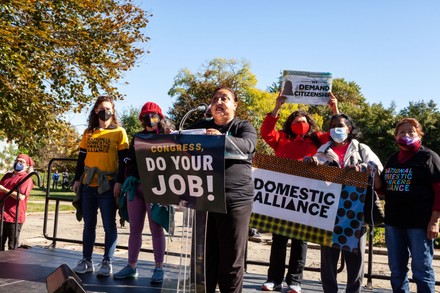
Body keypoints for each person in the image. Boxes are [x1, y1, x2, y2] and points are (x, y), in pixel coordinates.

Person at [260, 93, 338, 293]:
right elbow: (265, 131)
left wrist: (334, 109)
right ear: (290, 124)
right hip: (281, 195)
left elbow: (337, 133)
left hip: (305, 196)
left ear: (309, 124)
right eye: (296, 121)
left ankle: (295, 281)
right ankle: (273, 279)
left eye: (303, 121)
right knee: (278, 239)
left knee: (299, 241)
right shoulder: (281, 138)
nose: (300, 124)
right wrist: (277, 107)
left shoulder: (317, 139)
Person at [304, 113, 383, 293]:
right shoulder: (321, 152)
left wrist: (362, 168)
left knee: (356, 260)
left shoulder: (362, 149)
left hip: (355, 211)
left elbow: (377, 170)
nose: (335, 129)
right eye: (332, 126)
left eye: (340, 125)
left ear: (349, 129)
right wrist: (311, 165)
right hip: (329, 212)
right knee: (328, 260)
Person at [190, 86, 257, 293]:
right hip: (205, 197)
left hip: (234, 199)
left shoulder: (243, 127)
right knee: (205, 257)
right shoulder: (201, 126)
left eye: (225, 98)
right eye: (215, 99)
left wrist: (220, 138)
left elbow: (248, 146)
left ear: (234, 105)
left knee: (231, 259)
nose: (219, 102)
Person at [373, 118, 440, 292]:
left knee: (422, 271)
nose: (406, 135)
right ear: (395, 136)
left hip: (420, 225)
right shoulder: (393, 159)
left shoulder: (429, 157)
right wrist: (373, 175)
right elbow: (383, 190)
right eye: (402, 132)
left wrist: (434, 221)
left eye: (411, 131)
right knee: (396, 271)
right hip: (394, 224)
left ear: (420, 135)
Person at [113, 102, 172, 283]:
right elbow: (127, 160)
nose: (150, 118)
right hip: (134, 185)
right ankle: (131, 266)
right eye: (146, 115)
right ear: (141, 118)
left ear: (160, 117)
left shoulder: (166, 136)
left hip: (156, 187)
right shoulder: (137, 137)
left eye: (153, 114)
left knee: (156, 228)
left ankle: (159, 268)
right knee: (135, 229)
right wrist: (119, 181)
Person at [72, 95, 129, 277]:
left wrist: (119, 182)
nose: (105, 112)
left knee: (109, 225)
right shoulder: (88, 133)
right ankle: (87, 260)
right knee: (89, 224)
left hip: (108, 185)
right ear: (96, 110)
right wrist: (76, 179)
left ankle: (107, 261)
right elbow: (81, 158)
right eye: (102, 108)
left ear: (113, 111)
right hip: (88, 184)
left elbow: (124, 161)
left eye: (108, 108)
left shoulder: (119, 132)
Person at [0, 154, 35, 251]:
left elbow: (21, 196)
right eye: (16, 161)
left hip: (14, 216)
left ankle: (12, 265)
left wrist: (4, 189)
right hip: (1, 214)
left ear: (27, 165)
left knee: (12, 246)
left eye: (21, 162)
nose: (18, 163)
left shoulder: (26, 179)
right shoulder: (7, 176)